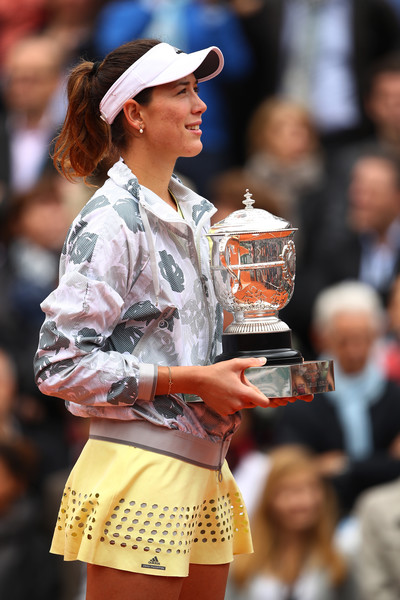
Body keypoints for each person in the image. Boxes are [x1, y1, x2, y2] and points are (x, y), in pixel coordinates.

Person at [33, 38, 311, 600]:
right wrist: (190, 382)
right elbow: (59, 363)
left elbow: (197, 352)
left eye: (197, 90)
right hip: (138, 470)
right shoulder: (110, 219)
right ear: (134, 114)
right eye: (181, 91)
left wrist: (256, 378)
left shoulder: (201, 213)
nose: (200, 104)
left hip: (205, 468)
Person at [275, 281, 400, 515]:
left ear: (376, 336)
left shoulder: (391, 388)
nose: (354, 350)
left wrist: (345, 465)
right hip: (319, 511)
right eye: (343, 340)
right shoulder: (305, 381)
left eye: (362, 339)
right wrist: (380, 463)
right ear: (323, 338)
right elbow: (292, 465)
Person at [228, 445, 354, 600]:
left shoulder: (339, 555)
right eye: (291, 491)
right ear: (268, 497)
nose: (305, 501)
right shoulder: (239, 561)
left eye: (312, 488)